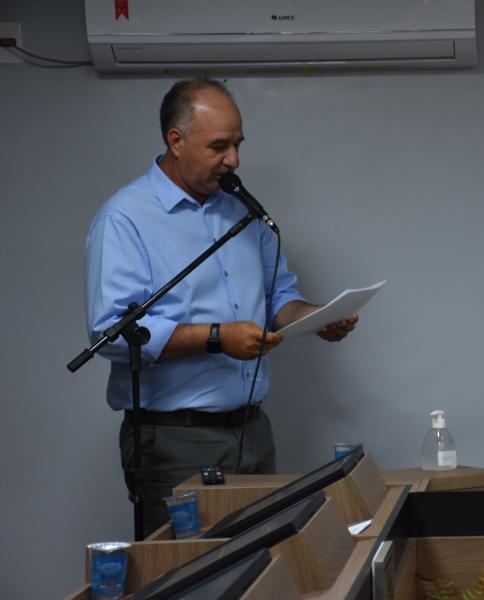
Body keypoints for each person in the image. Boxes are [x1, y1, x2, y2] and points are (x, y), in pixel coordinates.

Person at [84, 78, 358, 534]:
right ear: (176, 141)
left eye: (237, 144)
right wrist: (217, 338)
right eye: (219, 146)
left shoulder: (243, 213)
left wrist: (317, 318)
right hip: (174, 440)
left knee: (264, 562)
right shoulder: (125, 219)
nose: (233, 160)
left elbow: (279, 299)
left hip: (253, 430)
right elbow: (110, 332)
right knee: (188, 568)